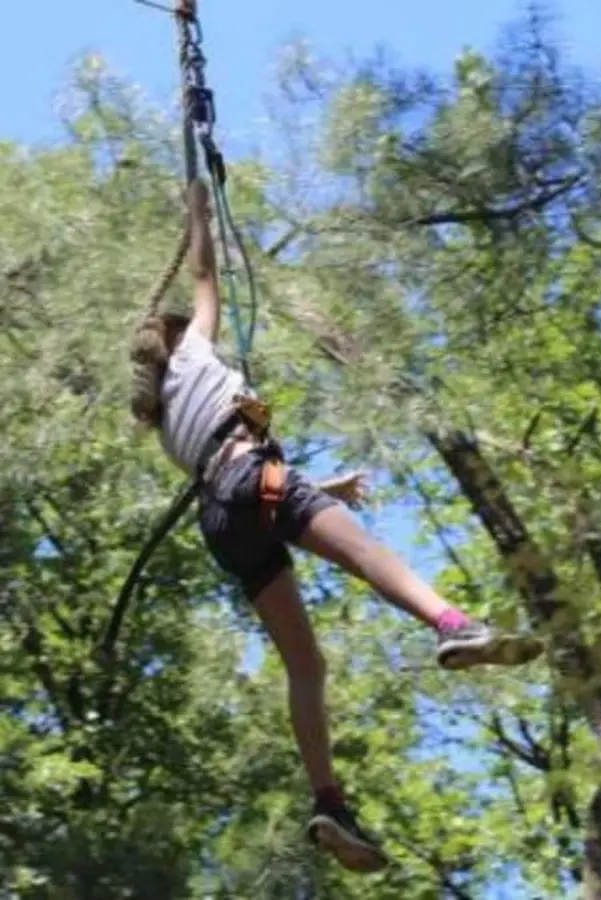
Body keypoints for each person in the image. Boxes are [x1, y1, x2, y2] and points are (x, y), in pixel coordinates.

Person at [128, 181, 543, 873]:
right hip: (252, 482)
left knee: (305, 665)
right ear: (175, 342)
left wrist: (317, 487)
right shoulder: (194, 352)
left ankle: (329, 802)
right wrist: (198, 214)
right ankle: (453, 626)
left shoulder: (169, 429)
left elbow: (229, 484)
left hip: (224, 519)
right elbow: (206, 277)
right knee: (368, 552)